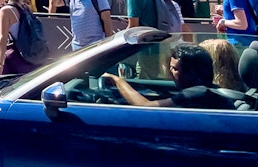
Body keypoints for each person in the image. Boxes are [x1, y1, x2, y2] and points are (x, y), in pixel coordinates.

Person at [103, 45, 240, 110]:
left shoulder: (196, 93)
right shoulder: (208, 89)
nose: (170, 72)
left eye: (175, 69)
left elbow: (146, 107)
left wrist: (117, 80)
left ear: (191, 73)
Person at [48, 0, 113, 51]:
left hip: (96, 45)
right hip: (77, 47)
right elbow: (54, 3)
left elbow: (107, 22)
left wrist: (108, 45)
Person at [0, 0, 42, 75]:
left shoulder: (6, 10)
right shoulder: (25, 7)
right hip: (31, 53)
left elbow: (3, 38)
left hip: (18, 55)